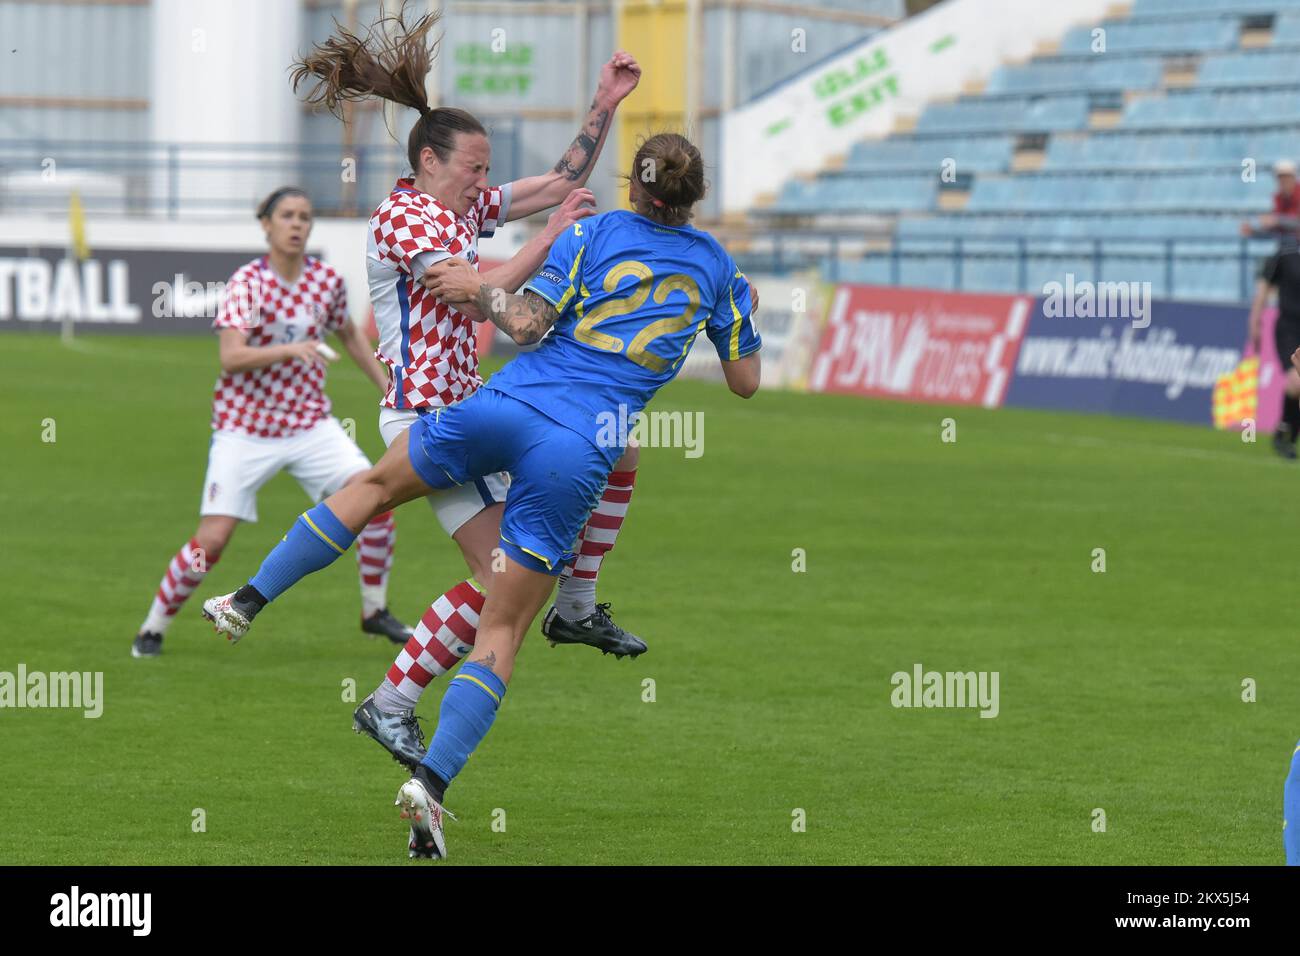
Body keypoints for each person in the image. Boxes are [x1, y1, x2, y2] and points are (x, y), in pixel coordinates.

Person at [209, 131, 761, 859]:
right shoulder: (720, 270)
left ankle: (247, 601)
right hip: (573, 445)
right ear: (696, 196)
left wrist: (488, 293)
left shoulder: (591, 232)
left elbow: (527, 324)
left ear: (635, 184)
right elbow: (745, 381)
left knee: (374, 487)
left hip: (496, 405)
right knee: (502, 622)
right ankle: (432, 781)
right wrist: (721, 317)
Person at [204, 6, 647, 760]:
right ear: (429, 161)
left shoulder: (458, 205)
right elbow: (485, 290)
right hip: (426, 414)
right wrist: (550, 240)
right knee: (500, 577)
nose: (484, 178)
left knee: (596, 473)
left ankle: (387, 681)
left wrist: (603, 105)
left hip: (470, 410)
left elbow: (558, 181)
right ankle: (379, 688)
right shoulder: (405, 221)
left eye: (485, 167)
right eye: (474, 166)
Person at [131, 187, 412, 657]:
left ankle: (373, 610)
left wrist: (389, 386)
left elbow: (351, 337)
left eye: (305, 216)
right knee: (212, 540)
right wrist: (290, 348)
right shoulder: (248, 284)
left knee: (377, 499)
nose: (297, 224)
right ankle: (153, 627)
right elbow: (232, 356)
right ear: (266, 224)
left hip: (310, 426)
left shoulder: (326, 281)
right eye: (287, 216)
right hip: (245, 428)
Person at [1248, 231, 1300, 459]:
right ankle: (1284, 435)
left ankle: (1287, 433)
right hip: (1289, 328)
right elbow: (1264, 287)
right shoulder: (1286, 253)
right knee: (1296, 382)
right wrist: (1255, 320)